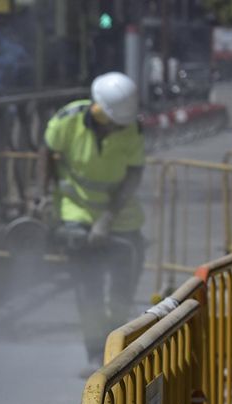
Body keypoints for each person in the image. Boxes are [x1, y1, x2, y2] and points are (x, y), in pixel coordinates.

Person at [33, 72, 147, 364]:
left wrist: (108, 218)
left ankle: (118, 349)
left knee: (123, 286)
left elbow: (134, 173)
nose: (114, 130)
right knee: (88, 289)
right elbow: (47, 151)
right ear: (100, 112)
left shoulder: (130, 128)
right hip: (77, 212)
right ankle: (97, 353)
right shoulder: (67, 120)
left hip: (120, 215)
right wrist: (42, 195)